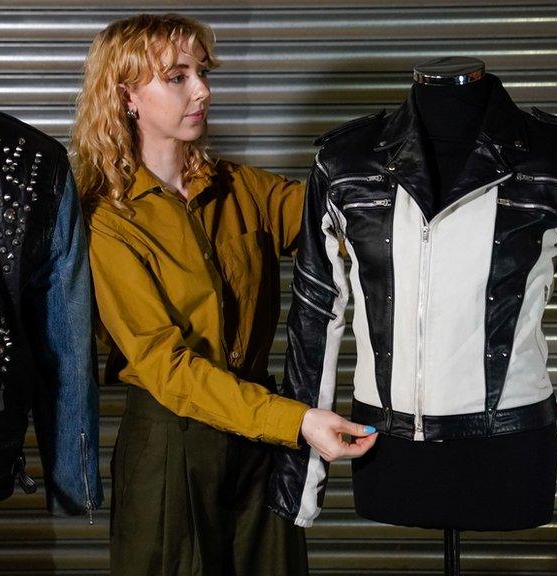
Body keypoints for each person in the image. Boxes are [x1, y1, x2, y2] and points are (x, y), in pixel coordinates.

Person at [71, 14, 377, 575]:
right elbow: (167, 366)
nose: (203, 90)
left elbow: (339, 221)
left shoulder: (242, 188)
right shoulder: (107, 223)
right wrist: (300, 422)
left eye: (202, 72)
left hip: (264, 439)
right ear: (127, 97)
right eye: (177, 76)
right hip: (173, 444)